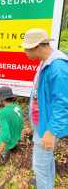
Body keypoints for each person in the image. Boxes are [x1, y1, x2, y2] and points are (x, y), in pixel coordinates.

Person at [22, 28, 68, 189]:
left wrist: (51, 131)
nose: (24, 51)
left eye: (27, 48)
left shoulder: (58, 68)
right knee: (45, 160)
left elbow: (62, 104)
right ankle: (45, 182)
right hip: (42, 123)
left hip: (48, 127)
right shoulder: (45, 62)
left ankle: (44, 184)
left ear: (37, 47)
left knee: (40, 164)